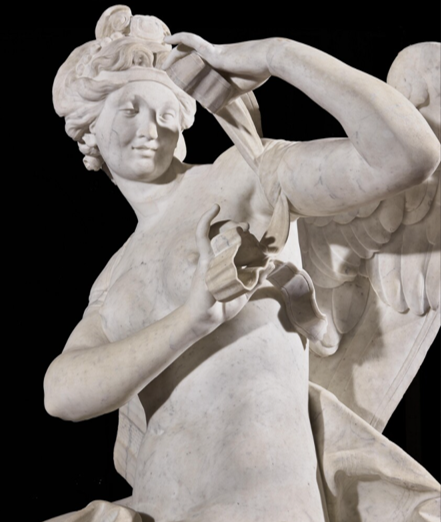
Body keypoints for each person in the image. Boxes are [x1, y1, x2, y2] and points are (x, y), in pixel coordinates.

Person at [44, 6, 440, 522]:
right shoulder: (114, 276)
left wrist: (275, 54)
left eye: (167, 113)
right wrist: (192, 320)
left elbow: (409, 156)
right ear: (89, 129)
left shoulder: (243, 176)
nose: (151, 127)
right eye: (130, 109)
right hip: (155, 507)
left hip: (252, 499)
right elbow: (61, 393)